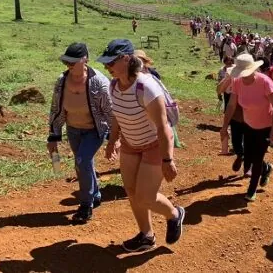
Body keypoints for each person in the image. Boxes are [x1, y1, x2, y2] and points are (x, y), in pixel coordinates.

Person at [100, 39, 185, 252]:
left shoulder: (146, 87)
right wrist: (112, 141)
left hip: (154, 145)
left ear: (126, 59)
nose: (107, 67)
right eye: (106, 63)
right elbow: (118, 115)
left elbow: (163, 126)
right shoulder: (114, 85)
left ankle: (174, 214)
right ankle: (146, 236)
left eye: (111, 62)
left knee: (145, 197)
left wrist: (167, 159)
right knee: (131, 190)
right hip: (130, 143)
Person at [47, 42, 113, 223]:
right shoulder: (62, 81)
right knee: (85, 164)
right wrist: (53, 134)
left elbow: (109, 110)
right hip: (73, 130)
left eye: (72, 61)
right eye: (66, 61)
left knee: (82, 161)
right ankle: (96, 195)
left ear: (84, 60)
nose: (68, 65)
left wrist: (114, 138)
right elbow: (56, 108)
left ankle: (86, 206)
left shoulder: (99, 82)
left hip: (95, 130)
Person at [220, 53, 273, 201]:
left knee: (257, 157)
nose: (243, 76)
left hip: (265, 125)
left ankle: (251, 190)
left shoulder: (265, 82)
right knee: (250, 155)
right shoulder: (238, 82)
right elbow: (232, 105)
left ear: (253, 69)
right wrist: (224, 126)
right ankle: (267, 168)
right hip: (248, 124)